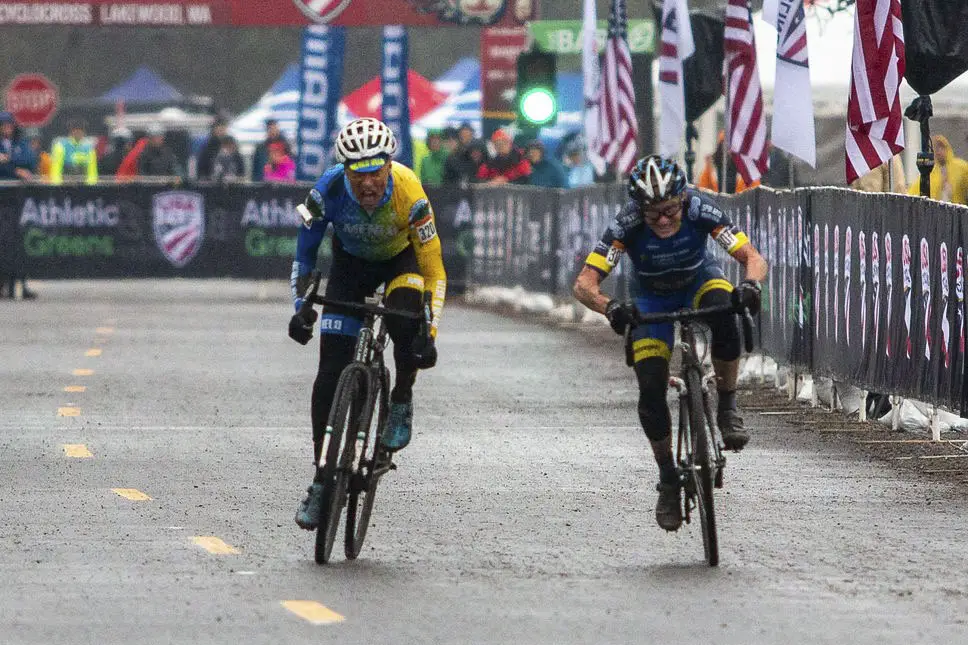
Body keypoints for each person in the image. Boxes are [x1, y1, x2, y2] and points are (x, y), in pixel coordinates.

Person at [571, 155, 767, 532]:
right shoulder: (625, 225)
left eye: (670, 210)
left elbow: (752, 257)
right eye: (652, 213)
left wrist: (750, 285)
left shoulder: (699, 209)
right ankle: (667, 479)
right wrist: (610, 307)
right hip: (651, 299)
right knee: (650, 388)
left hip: (698, 282)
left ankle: (727, 405)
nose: (662, 220)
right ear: (638, 209)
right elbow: (584, 284)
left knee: (726, 312)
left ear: (682, 199)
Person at [288, 117, 446, 530]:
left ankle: (401, 400)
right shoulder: (327, 191)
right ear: (346, 172)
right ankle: (322, 481)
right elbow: (304, 258)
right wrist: (300, 306)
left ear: (389, 167)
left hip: (401, 262)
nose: (368, 184)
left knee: (404, 322)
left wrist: (429, 333)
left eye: (375, 173)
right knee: (327, 374)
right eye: (359, 175)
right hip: (350, 269)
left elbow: (434, 270)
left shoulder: (410, 193)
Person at [907, 134, 968, 205]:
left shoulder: (961, 167)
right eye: (936, 148)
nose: (939, 151)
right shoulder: (931, 172)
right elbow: (915, 190)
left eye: (941, 147)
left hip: (958, 211)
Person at [50, 118, 98, 185]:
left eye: (81, 130)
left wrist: (91, 186)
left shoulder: (89, 148)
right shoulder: (61, 146)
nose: (78, 132)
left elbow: (92, 173)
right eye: (76, 130)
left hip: (84, 188)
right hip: (65, 187)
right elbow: (56, 171)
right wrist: (57, 186)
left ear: (84, 132)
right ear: (71, 131)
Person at [196, 114, 229, 180]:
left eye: (224, 126)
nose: (222, 129)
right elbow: (201, 169)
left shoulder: (230, 144)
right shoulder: (207, 147)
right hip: (210, 183)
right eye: (219, 126)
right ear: (214, 128)